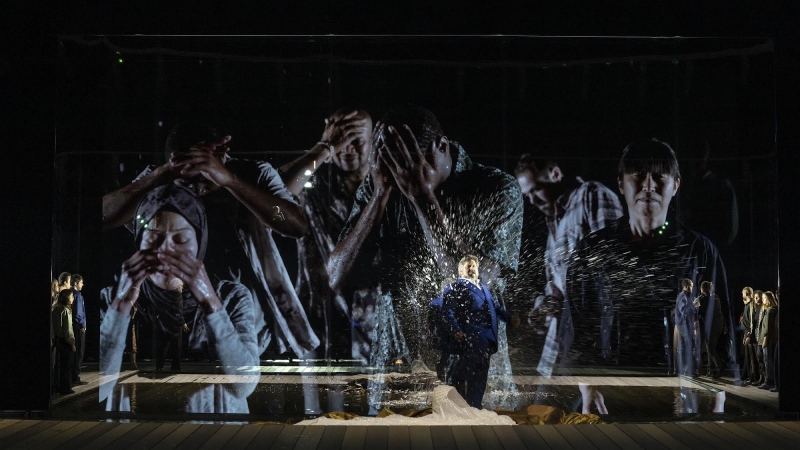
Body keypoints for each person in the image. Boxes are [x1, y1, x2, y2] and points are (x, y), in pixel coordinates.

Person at [329, 105, 523, 410]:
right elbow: (335, 275)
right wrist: (379, 196)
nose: (404, 176)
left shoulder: (496, 188)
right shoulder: (381, 185)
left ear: (442, 147)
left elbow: (472, 280)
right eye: (394, 166)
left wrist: (421, 197)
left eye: (413, 165)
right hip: (400, 381)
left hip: (474, 384)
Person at [102, 122, 318, 360]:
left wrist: (229, 180)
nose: (198, 188)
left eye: (205, 176)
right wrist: (164, 172)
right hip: (180, 327)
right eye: (189, 179)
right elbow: (104, 216)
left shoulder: (255, 174)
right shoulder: (161, 178)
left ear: (223, 155)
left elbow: (294, 224)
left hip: (252, 327)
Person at [562, 138, 738, 375]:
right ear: (621, 184)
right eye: (638, 174)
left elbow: (720, 326)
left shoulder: (700, 251)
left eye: (659, 176)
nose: (648, 185)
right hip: (611, 387)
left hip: (684, 382)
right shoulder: (591, 250)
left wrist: (726, 378)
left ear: (676, 185)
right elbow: (575, 332)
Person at [100, 184, 259, 413]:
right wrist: (120, 308)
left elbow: (244, 387)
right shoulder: (110, 299)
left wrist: (210, 303)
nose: (165, 251)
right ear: (138, 242)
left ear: (200, 244)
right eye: (154, 238)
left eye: (181, 239)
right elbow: (101, 388)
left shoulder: (232, 297)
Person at [515, 155, 623, 376]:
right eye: (528, 195)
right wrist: (543, 307)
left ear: (555, 174)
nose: (533, 200)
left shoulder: (591, 196)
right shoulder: (554, 221)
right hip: (556, 353)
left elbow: (612, 271)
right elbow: (558, 291)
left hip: (583, 354)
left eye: (536, 190)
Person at [279, 108, 372, 361]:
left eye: (357, 140)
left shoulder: (384, 189)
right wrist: (324, 148)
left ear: (373, 142)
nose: (348, 148)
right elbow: (279, 192)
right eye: (341, 139)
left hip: (372, 323)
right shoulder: (316, 186)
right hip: (319, 317)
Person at [442, 255, 513, 408]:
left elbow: (495, 308)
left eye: (474, 266)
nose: (472, 268)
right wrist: (456, 330)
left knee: (480, 375)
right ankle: (462, 406)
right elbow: (448, 311)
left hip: (486, 340)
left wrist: (510, 319)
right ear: (461, 270)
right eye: (468, 266)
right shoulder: (455, 287)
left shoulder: (484, 288)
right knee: (467, 374)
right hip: (470, 338)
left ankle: (474, 406)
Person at [697, 281, 725, 378]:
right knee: (710, 348)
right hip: (718, 326)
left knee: (711, 348)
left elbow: (699, 312)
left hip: (711, 327)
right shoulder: (716, 297)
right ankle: (711, 370)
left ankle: (719, 368)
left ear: (702, 289)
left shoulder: (704, 299)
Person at [52, 289, 76, 395]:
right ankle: (66, 388)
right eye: (71, 296)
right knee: (67, 365)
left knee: (60, 365)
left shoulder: (57, 309)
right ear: (67, 298)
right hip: (65, 341)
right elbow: (67, 330)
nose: (73, 298)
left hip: (58, 339)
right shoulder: (65, 310)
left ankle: (59, 387)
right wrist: (72, 343)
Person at [674, 279, 698, 376]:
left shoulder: (687, 296)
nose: (692, 288)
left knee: (687, 346)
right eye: (690, 286)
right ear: (686, 286)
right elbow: (683, 310)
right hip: (683, 324)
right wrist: (694, 305)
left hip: (686, 323)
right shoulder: (682, 296)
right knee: (689, 345)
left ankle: (685, 370)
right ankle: (688, 370)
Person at [757, 291, 778, 390]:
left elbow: (768, 327)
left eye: (765, 298)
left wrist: (765, 339)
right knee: (767, 359)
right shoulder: (768, 310)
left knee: (767, 360)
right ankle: (768, 380)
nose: (763, 300)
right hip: (767, 338)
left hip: (767, 339)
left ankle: (769, 381)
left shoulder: (770, 311)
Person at [71, 274, 88, 385]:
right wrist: (82, 325)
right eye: (81, 282)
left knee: (78, 352)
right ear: (76, 283)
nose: (82, 284)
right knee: (79, 352)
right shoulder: (77, 295)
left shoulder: (76, 295)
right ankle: (75, 377)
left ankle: (74, 376)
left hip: (77, 326)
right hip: (78, 327)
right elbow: (78, 313)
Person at [739, 287, 756, 384]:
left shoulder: (751, 306)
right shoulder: (747, 305)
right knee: (747, 356)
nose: (742, 295)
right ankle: (748, 375)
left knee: (751, 356)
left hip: (749, 333)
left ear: (747, 293)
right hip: (745, 332)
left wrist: (749, 335)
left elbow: (752, 322)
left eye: (743, 293)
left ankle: (752, 377)